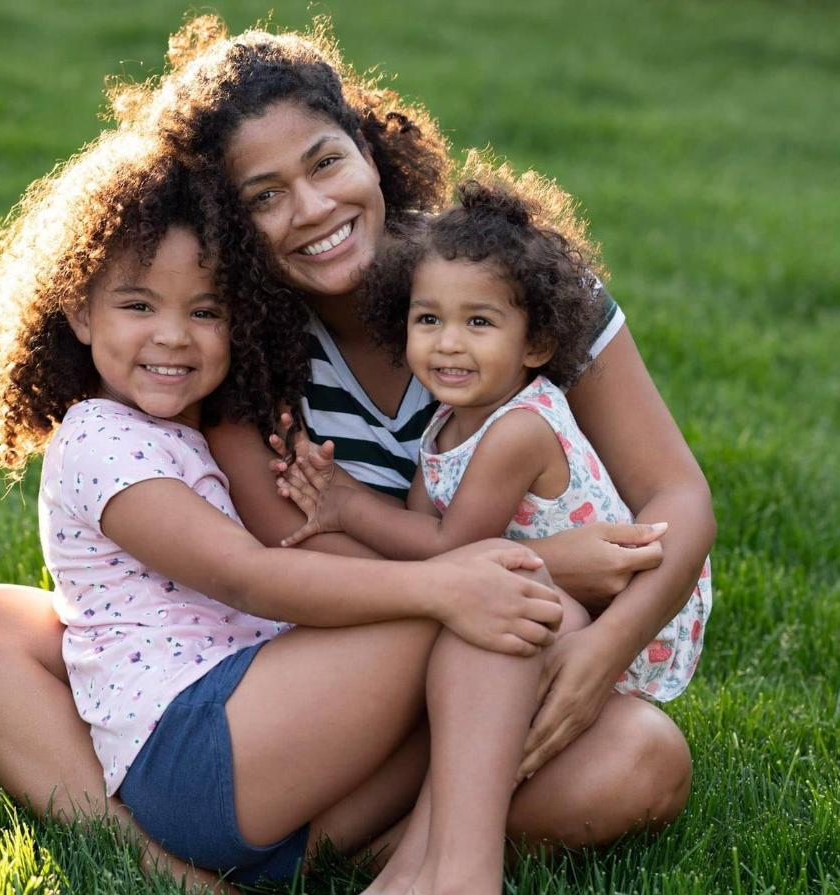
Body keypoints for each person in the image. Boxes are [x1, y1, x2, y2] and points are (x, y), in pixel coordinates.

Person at [0, 10, 712, 895]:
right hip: (346, 664)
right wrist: (545, 567)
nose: (308, 208)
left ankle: (395, 861)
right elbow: (296, 556)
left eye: (325, 162)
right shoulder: (234, 345)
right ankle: (216, 875)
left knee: (643, 758)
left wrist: (600, 650)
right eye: (262, 196)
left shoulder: (514, 282)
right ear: (226, 223)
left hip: (487, 656)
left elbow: (679, 498)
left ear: (369, 145)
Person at [0, 122, 565, 895]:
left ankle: (411, 880)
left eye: (205, 311)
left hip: (268, 784)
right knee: (477, 605)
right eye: (138, 306)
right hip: (192, 751)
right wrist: (445, 586)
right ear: (77, 309)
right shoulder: (101, 438)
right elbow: (251, 578)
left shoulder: (205, 430)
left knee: (491, 626)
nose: (173, 336)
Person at [272, 164, 711, 704]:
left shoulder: (518, 431)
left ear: (535, 347)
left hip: (614, 626)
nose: (449, 343)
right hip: (529, 598)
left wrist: (343, 506)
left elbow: (447, 546)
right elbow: (420, 529)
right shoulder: (448, 420)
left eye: (478, 323)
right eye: (428, 320)